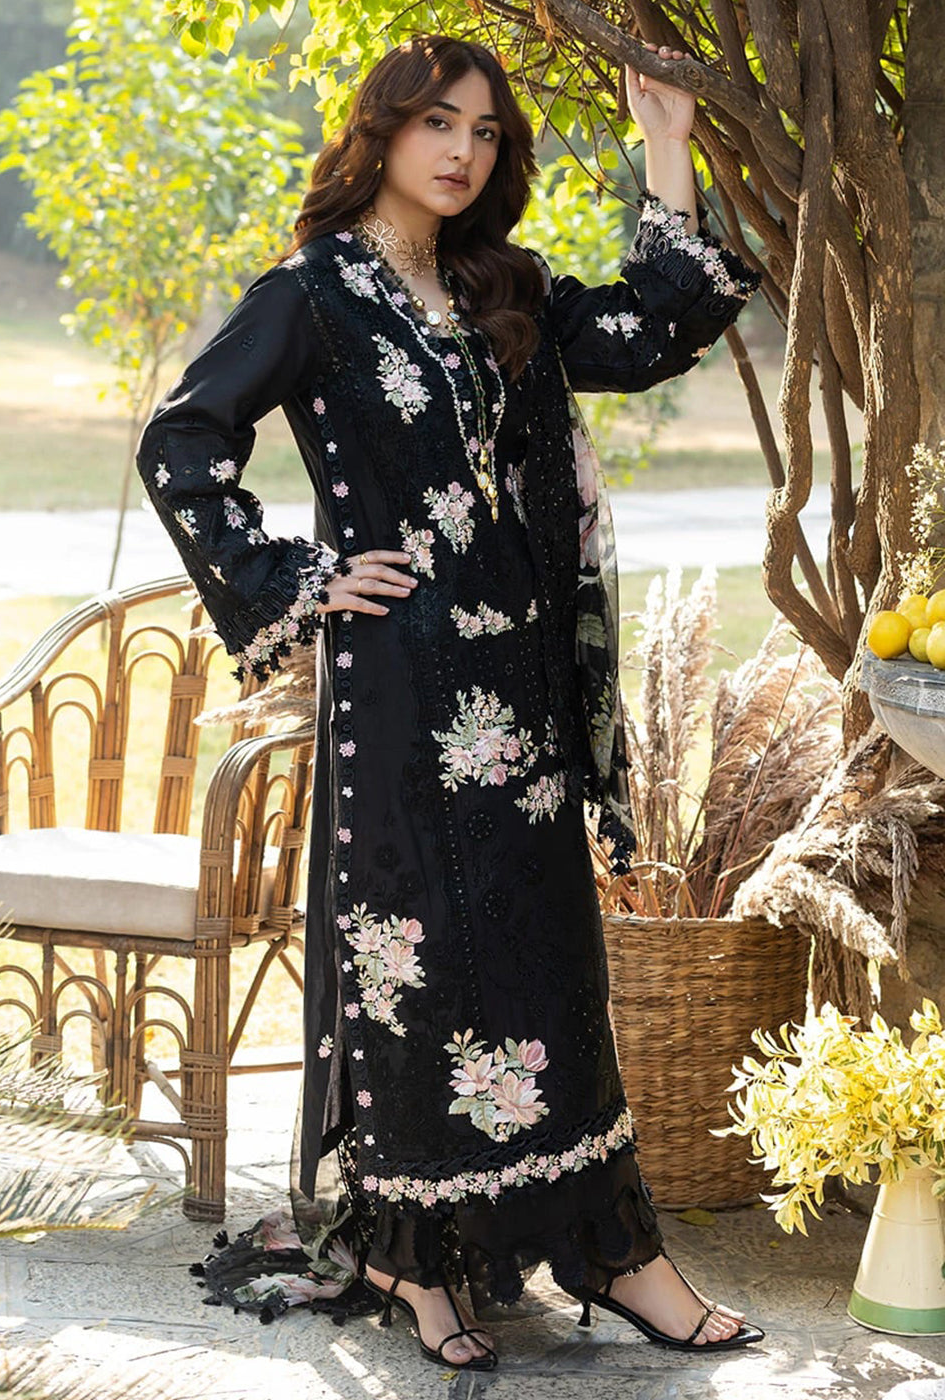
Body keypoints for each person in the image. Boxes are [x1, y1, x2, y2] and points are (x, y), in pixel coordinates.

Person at [137, 33, 764, 1371]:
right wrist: (300, 576)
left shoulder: (499, 286)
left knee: (547, 959)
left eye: (484, 132)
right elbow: (180, 440)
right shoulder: (312, 295)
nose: (462, 151)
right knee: (414, 961)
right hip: (400, 694)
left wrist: (665, 144)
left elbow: (655, 327)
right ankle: (415, 1260)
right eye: (437, 122)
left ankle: (620, 1254)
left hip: (522, 695)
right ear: (382, 132)